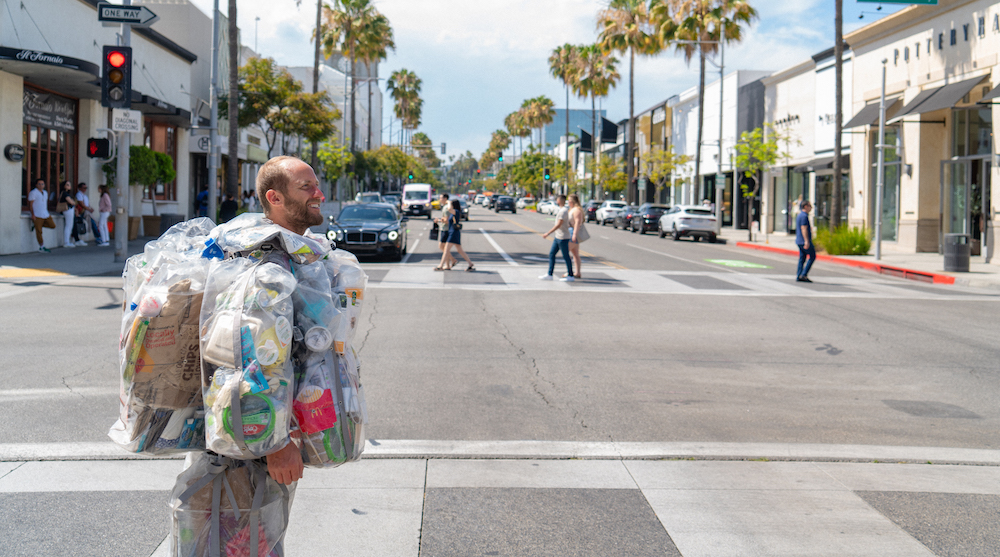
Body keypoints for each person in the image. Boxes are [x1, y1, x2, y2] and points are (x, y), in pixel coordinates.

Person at [540, 194, 574, 282]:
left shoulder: (563, 211)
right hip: (558, 236)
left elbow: (559, 224)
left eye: (557, 199)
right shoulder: (562, 210)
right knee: (552, 254)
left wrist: (548, 233)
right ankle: (549, 274)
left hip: (562, 237)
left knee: (566, 256)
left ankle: (570, 275)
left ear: (560, 200)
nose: (556, 200)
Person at [436, 199, 475, 271]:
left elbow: (449, 208)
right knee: (460, 250)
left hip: (453, 233)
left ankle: (441, 265)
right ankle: (470, 263)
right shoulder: (454, 212)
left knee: (446, 250)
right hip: (454, 232)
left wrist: (448, 202)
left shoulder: (455, 211)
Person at [28, 179, 55, 252]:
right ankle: (42, 246)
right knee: (39, 231)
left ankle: (37, 225)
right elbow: (31, 204)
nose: (41, 185)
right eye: (39, 184)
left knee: (52, 225)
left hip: (45, 213)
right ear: (36, 185)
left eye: (42, 184)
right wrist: (32, 214)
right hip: (37, 214)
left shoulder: (45, 192)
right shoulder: (33, 192)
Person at [566, 194, 590, 279]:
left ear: (572, 201)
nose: (568, 202)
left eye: (569, 201)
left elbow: (577, 223)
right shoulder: (572, 209)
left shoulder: (576, 210)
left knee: (566, 252)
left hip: (573, 232)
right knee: (575, 253)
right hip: (571, 231)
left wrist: (574, 235)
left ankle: (570, 271)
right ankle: (577, 272)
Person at [795, 200, 816, 283]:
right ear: (805, 206)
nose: (811, 208)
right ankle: (803, 274)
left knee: (802, 258)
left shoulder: (800, 215)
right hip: (804, 241)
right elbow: (804, 228)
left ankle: (799, 274)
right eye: (810, 206)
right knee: (812, 256)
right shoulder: (804, 216)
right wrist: (807, 241)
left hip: (799, 241)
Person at [434, 193, 457, 269]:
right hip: (445, 229)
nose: (440, 199)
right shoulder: (445, 207)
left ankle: (452, 260)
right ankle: (447, 265)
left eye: (441, 198)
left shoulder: (446, 208)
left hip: (446, 229)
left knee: (442, 246)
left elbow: (447, 220)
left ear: (445, 199)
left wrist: (439, 220)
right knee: (444, 248)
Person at [58, 180, 80, 248]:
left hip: (69, 210)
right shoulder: (64, 193)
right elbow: (72, 202)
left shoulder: (66, 193)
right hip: (67, 210)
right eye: (67, 185)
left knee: (70, 225)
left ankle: (68, 241)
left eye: (69, 185)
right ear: (64, 186)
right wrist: (73, 201)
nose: (69, 186)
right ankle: (66, 242)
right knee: (68, 225)